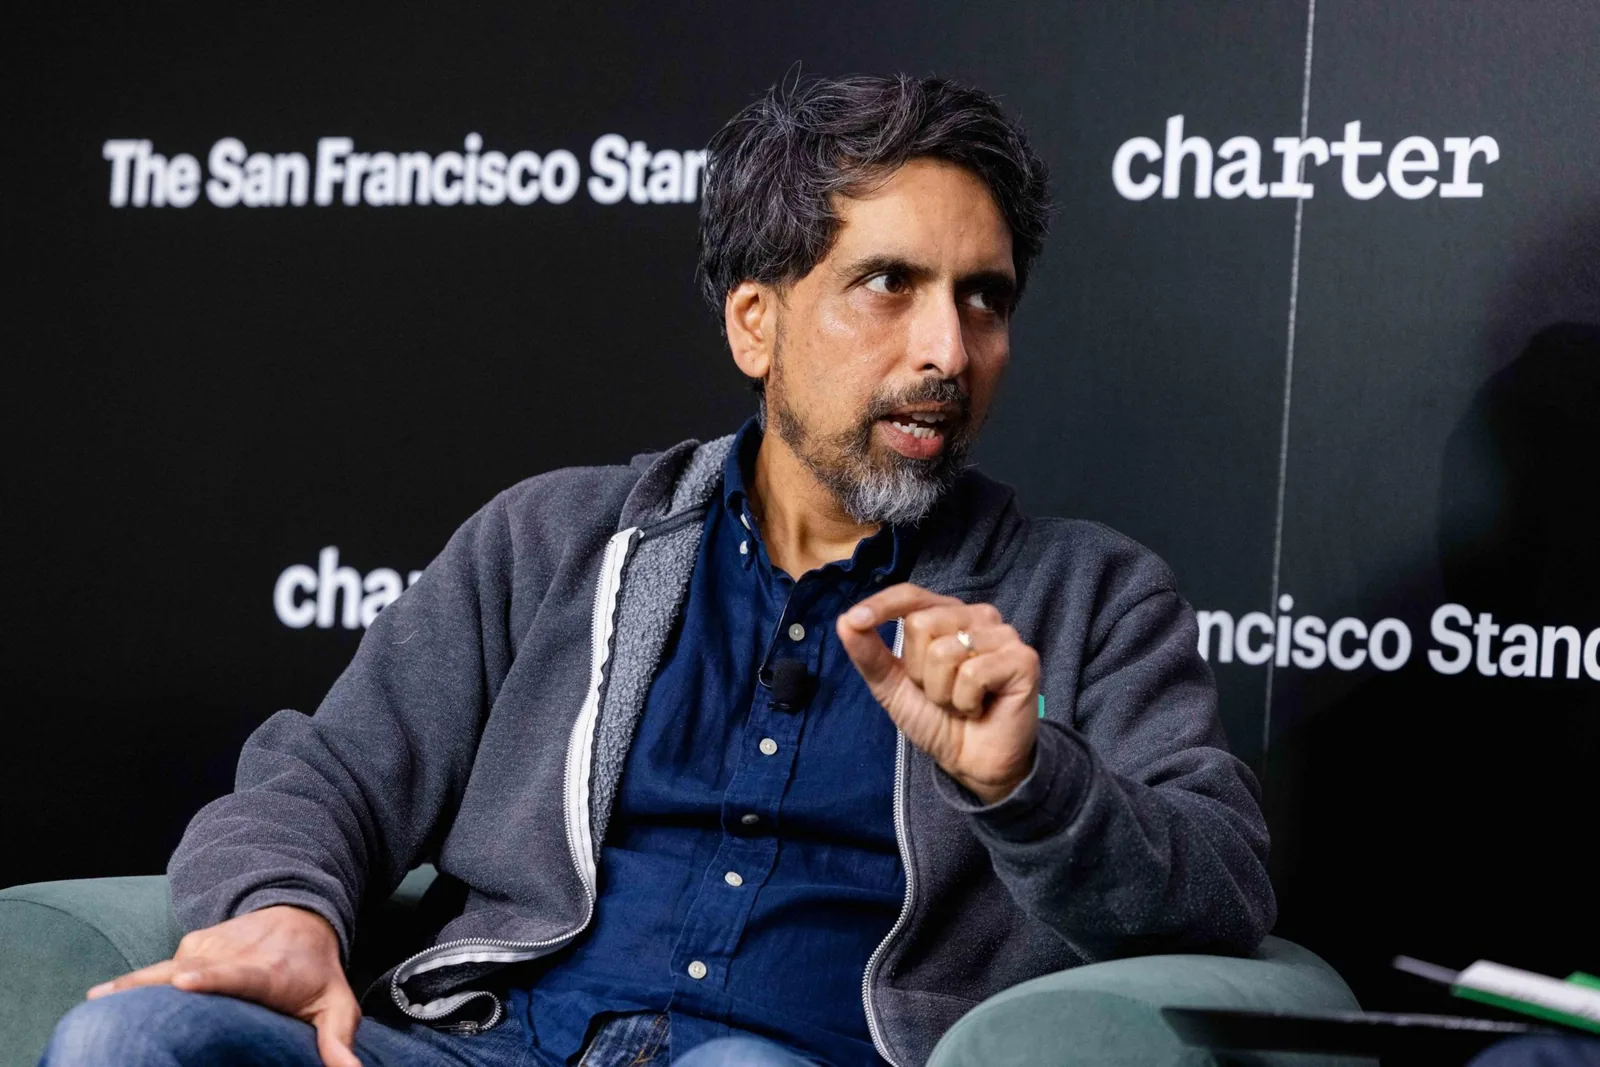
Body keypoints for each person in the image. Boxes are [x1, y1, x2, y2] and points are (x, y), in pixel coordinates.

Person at [42, 73, 1275, 1067]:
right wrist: (287, 911)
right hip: (480, 1044)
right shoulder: (553, 537)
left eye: (983, 300)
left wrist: (1028, 779)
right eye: (887, 285)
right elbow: (324, 779)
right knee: (126, 1037)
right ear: (756, 322)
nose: (947, 349)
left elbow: (1222, 889)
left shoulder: (1088, 596)